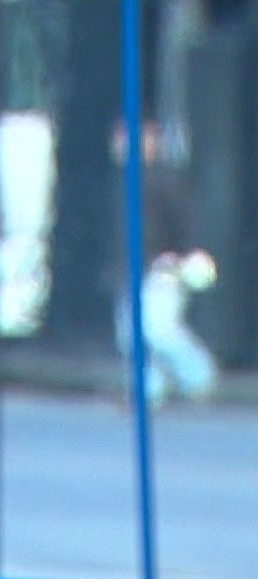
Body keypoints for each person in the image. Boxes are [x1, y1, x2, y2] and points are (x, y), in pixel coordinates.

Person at [111, 120, 220, 407]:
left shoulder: (162, 179)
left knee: (158, 330)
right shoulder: (130, 179)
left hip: (162, 266)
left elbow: (183, 221)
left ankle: (198, 378)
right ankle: (150, 388)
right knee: (133, 334)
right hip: (139, 267)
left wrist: (181, 254)